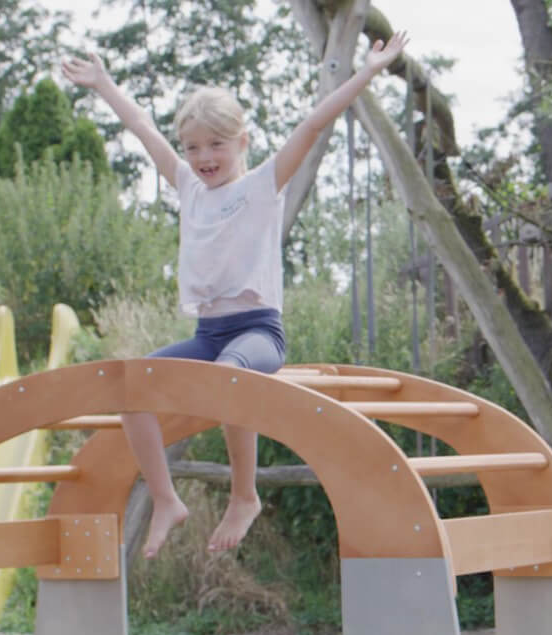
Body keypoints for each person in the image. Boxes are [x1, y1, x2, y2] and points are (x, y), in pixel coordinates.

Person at [62, 31, 408, 558]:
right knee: (130, 389)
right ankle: (164, 499)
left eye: (216, 145)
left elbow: (316, 121)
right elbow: (140, 126)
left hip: (257, 331)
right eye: (193, 147)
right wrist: (104, 84)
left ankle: (245, 497)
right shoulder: (188, 187)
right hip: (208, 334)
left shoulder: (264, 185)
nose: (203, 157)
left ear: (242, 142)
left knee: (230, 376)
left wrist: (367, 71)